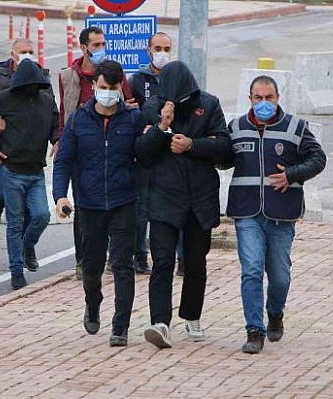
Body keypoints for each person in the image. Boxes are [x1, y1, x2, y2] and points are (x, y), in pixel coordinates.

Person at [224, 75, 326, 354]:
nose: (264, 103)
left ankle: (276, 313)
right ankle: (254, 330)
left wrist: (291, 175)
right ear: (250, 99)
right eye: (258, 98)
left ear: (278, 98)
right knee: (252, 270)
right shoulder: (235, 127)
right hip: (247, 213)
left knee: (279, 276)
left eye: (269, 98)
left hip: (282, 213)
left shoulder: (296, 127)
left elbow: (318, 159)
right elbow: (221, 158)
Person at [135, 61, 231, 349]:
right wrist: (161, 127)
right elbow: (142, 154)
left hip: (200, 198)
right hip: (164, 195)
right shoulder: (152, 108)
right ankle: (160, 322)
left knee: (194, 262)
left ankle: (192, 315)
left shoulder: (209, 105)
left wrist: (193, 145)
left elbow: (225, 149)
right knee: (162, 261)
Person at [53, 60, 143, 346]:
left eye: (112, 88)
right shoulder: (79, 120)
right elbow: (63, 160)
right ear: (94, 87)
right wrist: (60, 196)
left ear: (120, 88)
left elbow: (146, 156)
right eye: (102, 87)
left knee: (122, 265)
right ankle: (92, 304)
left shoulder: (132, 120)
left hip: (124, 203)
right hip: (89, 206)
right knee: (92, 268)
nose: (107, 93)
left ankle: (121, 327)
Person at [57, 26, 135, 280]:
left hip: (113, 149)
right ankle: (85, 262)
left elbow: (130, 104)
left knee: (118, 215)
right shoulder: (69, 76)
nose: (100, 49)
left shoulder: (115, 74)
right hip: (82, 145)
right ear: (84, 47)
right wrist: (60, 139)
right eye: (96, 44)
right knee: (84, 211)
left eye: (103, 44)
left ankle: (116, 260)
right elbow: (64, 109)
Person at [0, 59, 59, 290]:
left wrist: (57, 140)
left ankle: (27, 244)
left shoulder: (47, 101)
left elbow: (55, 125)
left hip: (36, 171)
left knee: (41, 215)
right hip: (11, 170)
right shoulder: (4, 99)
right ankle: (16, 272)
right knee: (14, 223)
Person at [127, 32, 173, 276]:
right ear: (148, 50)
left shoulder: (176, 78)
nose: (162, 53)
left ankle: (170, 256)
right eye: (158, 48)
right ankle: (139, 256)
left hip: (169, 154)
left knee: (167, 206)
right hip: (144, 153)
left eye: (166, 48)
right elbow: (130, 112)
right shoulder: (137, 80)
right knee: (141, 207)